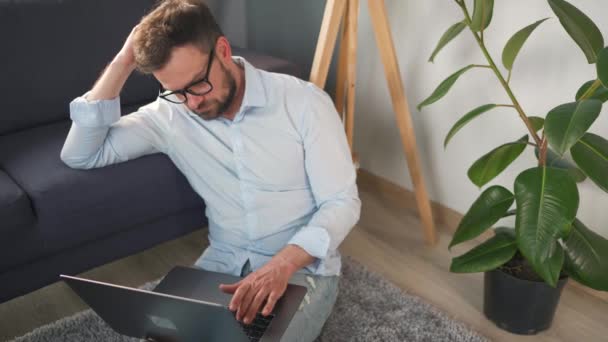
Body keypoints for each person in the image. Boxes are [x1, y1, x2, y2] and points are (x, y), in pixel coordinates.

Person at [60, 0, 360, 340]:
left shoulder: (305, 104)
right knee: (161, 335)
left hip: (302, 271)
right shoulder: (171, 116)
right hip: (222, 264)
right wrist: (122, 62)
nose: (193, 103)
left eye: (197, 84)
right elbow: (81, 155)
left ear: (222, 49)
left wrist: (283, 264)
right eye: (176, 92)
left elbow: (341, 202)